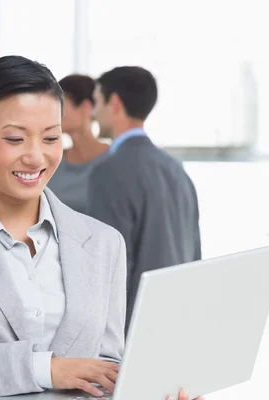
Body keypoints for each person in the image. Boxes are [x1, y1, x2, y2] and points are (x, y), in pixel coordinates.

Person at [0, 55, 203, 400]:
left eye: (51, 138)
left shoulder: (103, 243)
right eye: (15, 139)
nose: (36, 157)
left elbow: (106, 377)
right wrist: (43, 369)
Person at [87, 66, 202, 335]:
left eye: (97, 102)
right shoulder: (176, 169)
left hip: (130, 333)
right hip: (176, 324)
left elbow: (109, 269)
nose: (93, 113)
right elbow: (194, 253)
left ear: (114, 103)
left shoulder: (109, 172)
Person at [47, 74, 109, 214]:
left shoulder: (114, 161)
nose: (52, 113)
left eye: (60, 104)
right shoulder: (53, 161)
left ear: (85, 107)